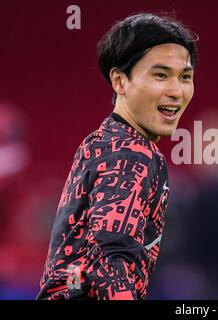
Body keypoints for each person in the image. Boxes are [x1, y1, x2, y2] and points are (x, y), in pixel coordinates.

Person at [36, 13, 198, 300]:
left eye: (185, 76)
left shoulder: (100, 142)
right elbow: (110, 262)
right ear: (120, 81)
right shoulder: (134, 153)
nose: (176, 91)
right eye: (161, 75)